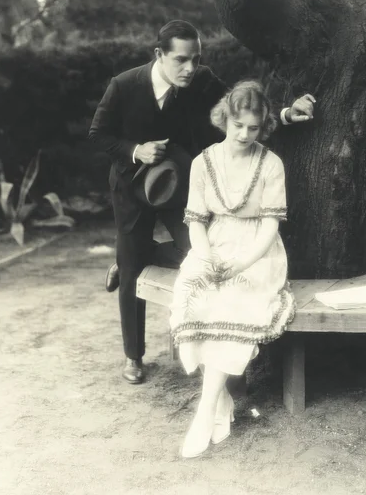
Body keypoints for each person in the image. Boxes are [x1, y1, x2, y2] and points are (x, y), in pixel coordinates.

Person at [88, 20, 314, 385]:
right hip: (131, 188)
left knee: (197, 256)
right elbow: (98, 134)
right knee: (131, 270)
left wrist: (286, 114)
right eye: (181, 60)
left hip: (179, 187)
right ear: (159, 55)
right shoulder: (124, 85)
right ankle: (133, 355)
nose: (190, 68)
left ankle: (131, 255)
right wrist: (135, 150)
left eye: (195, 59)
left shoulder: (202, 79)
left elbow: (241, 108)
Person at [170, 80, 294, 458]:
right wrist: (206, 258)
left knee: (234, 300)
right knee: (193, 294)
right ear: (224, 118)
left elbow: (271, 226)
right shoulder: (202, 162)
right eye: (237, 124)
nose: (244, 134)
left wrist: (242, 262)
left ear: (263, 126)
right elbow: (195, 220)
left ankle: (204, 412)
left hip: (258, 251)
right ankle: (221, 398)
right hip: (213, 242)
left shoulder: (271, 164)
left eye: (253, 128)